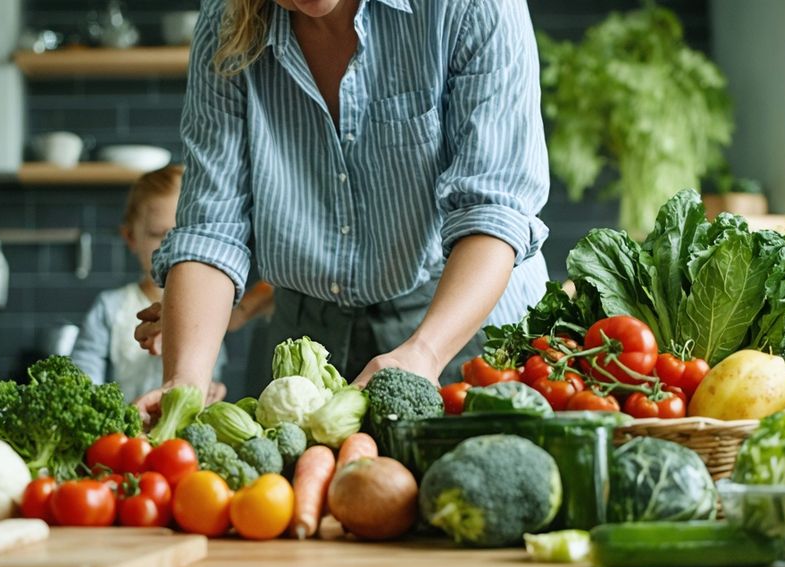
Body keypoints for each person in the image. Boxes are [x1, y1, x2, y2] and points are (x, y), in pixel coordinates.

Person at [134, 0, 550, 419]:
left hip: (461, 328)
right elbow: (212, 227)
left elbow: (493, 209)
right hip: (305, 347)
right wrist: (185, 380)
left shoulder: (469, 6)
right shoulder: (227, 18)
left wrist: (424, 352)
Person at [71, 166, 237, 402]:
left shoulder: (208, 309)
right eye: (160, 234)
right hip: (126, 436)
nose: (175, 249)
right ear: (131, 237)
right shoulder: (110, 308)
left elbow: (210, 373)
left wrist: (212, 388)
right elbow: (83, 381)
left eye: (185, 235)